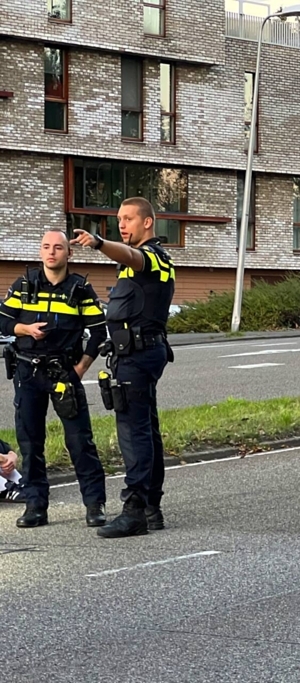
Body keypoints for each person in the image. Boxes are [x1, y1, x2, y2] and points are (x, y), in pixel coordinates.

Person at [71, 197, 175, 539]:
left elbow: (133, 255)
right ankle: (150, 507)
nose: (122, 224)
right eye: (119, 219)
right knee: (146, 430)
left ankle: (134, 511)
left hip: (139, 355)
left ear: (148, 222)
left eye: (128, 219)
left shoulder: (153, 257)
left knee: (134, 433)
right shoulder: (133, 265)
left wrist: (99, 243)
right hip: (134, 354)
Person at [0, 231, 108, 527]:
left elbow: (99, 331)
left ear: (68, 254)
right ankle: (35, 506)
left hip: (65, 373)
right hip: (27, 372)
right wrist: (24, 329)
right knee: (31, 443)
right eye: (46, 247)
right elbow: (2, 319)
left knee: (80, 442)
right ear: (40, 252)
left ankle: (94, 505)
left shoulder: (80, 288)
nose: (52, 252)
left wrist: (81, 369)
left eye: (58, 247)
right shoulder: (24, 284)